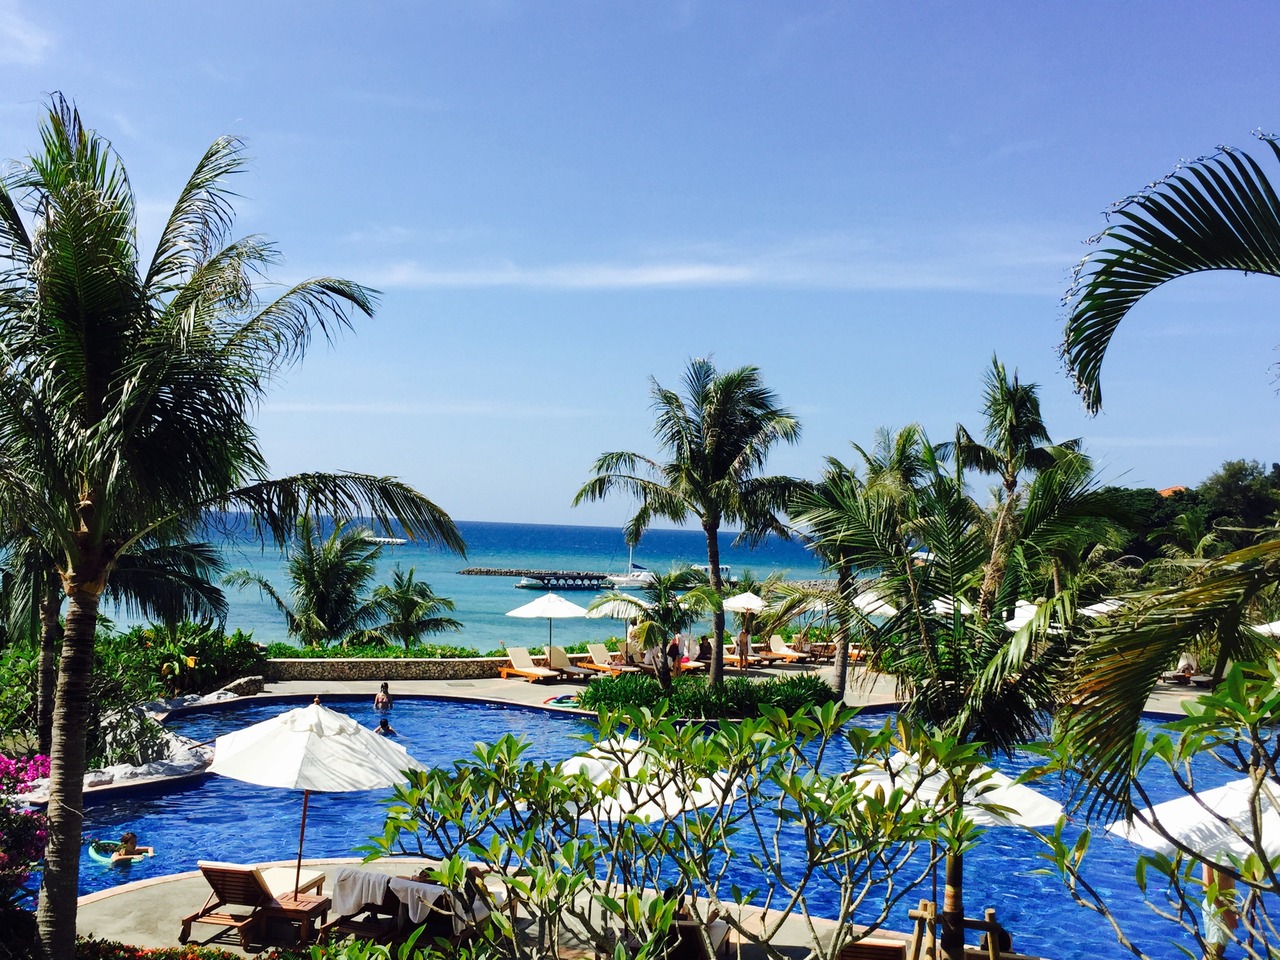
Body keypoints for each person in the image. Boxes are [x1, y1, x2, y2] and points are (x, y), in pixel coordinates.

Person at [1202, 862, 1238, 960]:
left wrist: (1232, 908)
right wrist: (1227, 915)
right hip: (1216, 907)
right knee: (1214, 951)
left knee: (1217, 950)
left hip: (1225, 907)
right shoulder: (1209, 858)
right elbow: (1208, 888)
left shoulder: (1226, 857)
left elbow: (1228, 882)